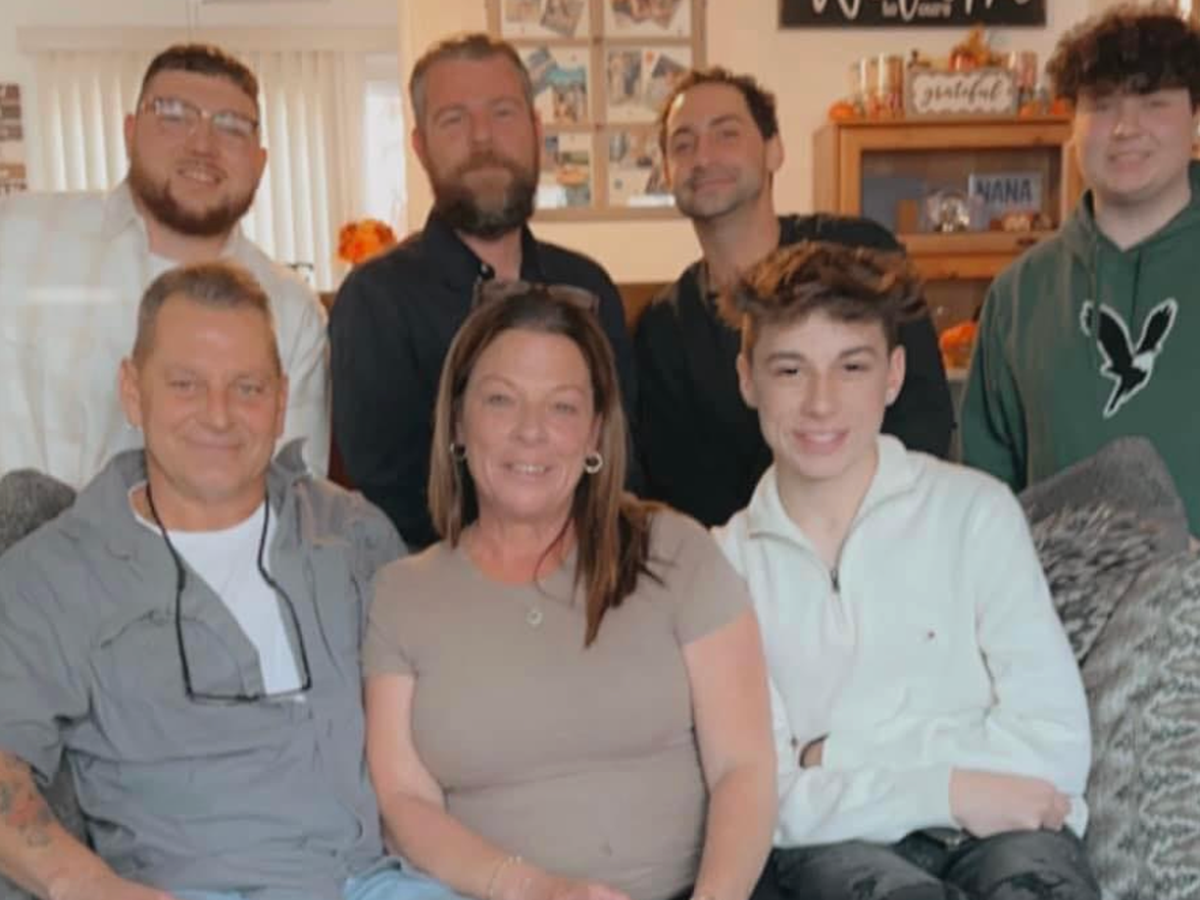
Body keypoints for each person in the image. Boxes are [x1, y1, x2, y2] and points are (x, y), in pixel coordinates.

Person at [0, 263, 448, 900]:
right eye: (185, 384)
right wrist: (85, 884)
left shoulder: (350, 534)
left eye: (247, 388)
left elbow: (446, 703)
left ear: (281, 401)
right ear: (133, 391)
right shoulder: (54, 574)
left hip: (380, 882)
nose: (219, 415)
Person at [363, 281, 774, 900]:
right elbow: (403, 800)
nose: (531, 432)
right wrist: (535, 889)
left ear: (595, 435)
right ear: (458, 422)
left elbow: (744, 767)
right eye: (501, 400)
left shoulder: (675, 551)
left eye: (562, 407)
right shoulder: (402, 593)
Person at [713, 242, 1098, 900]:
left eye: (851, 367)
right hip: (838, 849)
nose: (821, 403)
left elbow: (1057, 748)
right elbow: (763, 796)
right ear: (748, 379)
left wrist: (833, 755)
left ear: (892, 375)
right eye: (790, 370)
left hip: (1009, 829)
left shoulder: (975, 513)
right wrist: (952, 790)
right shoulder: (726, 564)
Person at [329, 33, 637, 551]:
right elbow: (392, 499)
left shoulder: (590, 286)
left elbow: (623, 463)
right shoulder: (375, 300)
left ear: (536, 130)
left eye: (502, 113)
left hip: (591, 576)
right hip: (444, 585)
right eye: (454, 119)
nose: (482, 137)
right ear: (420, 146)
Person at [635, 67, 953, 527]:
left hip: (891, 533)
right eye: (683, 144)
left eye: (726, 134)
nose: (703, 157)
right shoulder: (662, 329)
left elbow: (924, 419)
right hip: (743, 560)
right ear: (666, 172)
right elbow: (681, 493)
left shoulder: (858, 253)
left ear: (774, 150)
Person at [0, 43, 330, 486]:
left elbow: (293, 493)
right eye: (173, 115)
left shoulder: (291, 310)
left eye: (232, 127)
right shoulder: (17, 233)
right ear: (130, 131)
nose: (203, 145)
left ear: (260, 161)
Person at [961, 7, 1200, 534]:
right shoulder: (1018, 295)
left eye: (1154, 102)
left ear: (1195, 115)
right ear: (1072, 124)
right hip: (1051, 590)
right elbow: (984, 495)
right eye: (1101, 104)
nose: (1126, 128)